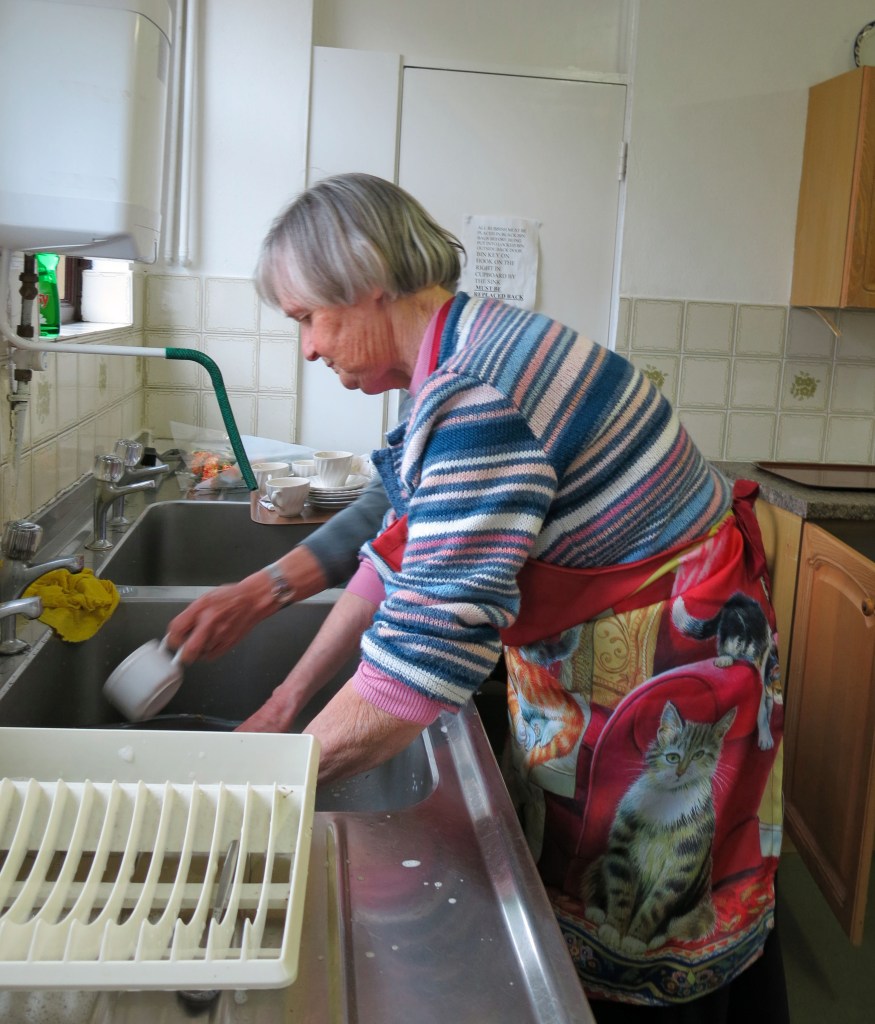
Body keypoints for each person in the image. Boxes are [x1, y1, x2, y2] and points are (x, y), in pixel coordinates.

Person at [168, 173, 789, 1021]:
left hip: (665, 667)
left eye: (306, 318)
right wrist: (286, 697)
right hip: (617, 651)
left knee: (656, 913)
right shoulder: (464, 347)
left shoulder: (474, 391)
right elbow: (400, 541)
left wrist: (266, 791)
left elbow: (419, 663)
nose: (308, 348)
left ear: (365, 282)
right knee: (634, 893)